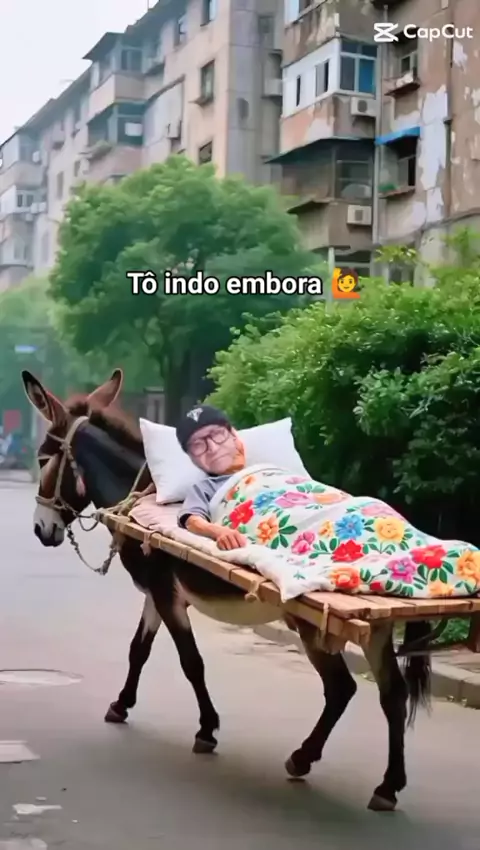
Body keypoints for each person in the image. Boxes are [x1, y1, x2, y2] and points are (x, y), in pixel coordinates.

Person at [176, 405, 248, 551]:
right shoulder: (206, 488)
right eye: (197, 445)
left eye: (217, 434)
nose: (213, 449)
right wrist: (219, 532)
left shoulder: (270, 470)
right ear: (191, 458)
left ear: (233, 435)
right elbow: (191, 520)